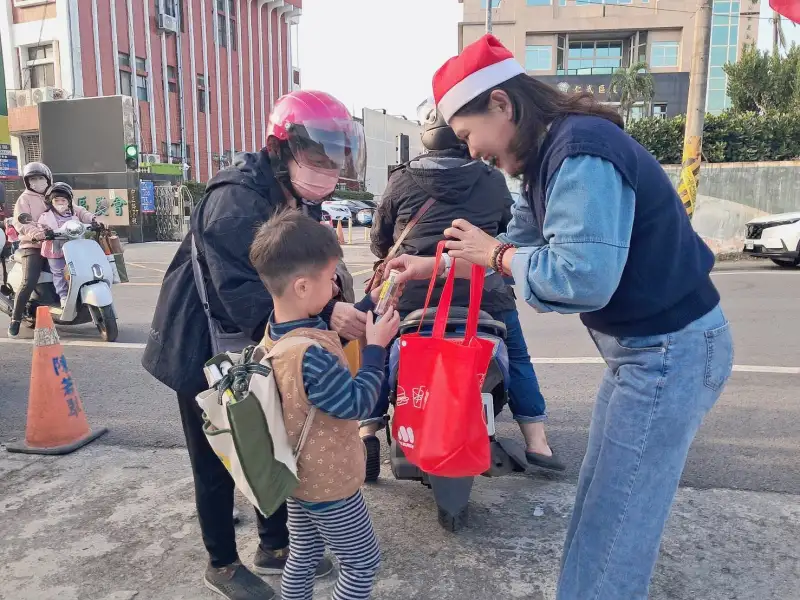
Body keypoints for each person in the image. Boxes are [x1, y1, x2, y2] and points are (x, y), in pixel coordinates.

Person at [386, 35, 734, 600]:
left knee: (614, 529)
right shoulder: (549, 156)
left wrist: (495, 254)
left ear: (501, 104)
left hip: (670, 352)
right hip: (646, 353)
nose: (472, 152)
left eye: (470, 135)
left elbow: (581, 275)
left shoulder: (581, 151)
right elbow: (512, 248)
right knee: (601, 507)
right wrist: (428, 266)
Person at [142, 90, 369, 600]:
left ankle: (275, 545)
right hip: (203, 342)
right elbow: (243, 297)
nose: (328, 170)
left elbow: (309, 267)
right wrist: (328, 312)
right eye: (318, 158)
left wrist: (339, 294)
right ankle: (221, 563)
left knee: (274, 441)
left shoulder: (291, 193)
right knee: (221, 453)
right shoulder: (235, 203)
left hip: (259, 345)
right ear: (280, 147)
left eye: (335, 160)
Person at [362, 97, 563, 475]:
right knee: (517, 354)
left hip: (409, 291)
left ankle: (368, 433)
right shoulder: (491, 179)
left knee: (377, 340)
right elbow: (508, 234)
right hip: (482, 292)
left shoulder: (400, 179)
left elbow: (379, 240)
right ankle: (538, 443)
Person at [250, 211, 398, 600]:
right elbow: (356, 402)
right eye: (330, 276)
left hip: (296, 474)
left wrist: (372, 302)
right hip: (329, 483)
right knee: (362, 562)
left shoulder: (278, 331)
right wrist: (377, 350)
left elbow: (328, 337)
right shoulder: (311, 355)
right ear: (301, 286)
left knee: (304, 552)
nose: (335, 284)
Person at [8, 162, 53, 337]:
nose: (37, 181)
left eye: (40, 178)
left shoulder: (54, 194)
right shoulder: (24, 199)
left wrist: (93, 219)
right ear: (27, 182)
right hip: (32, 246)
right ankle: (16, 318)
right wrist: (36, 233)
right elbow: (19, 221)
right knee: (29, 281)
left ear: (48, 178)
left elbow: (75, 210)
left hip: (56, 245)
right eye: (33, 179)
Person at [37, 183, 98, 307]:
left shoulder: (73, 214)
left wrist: (95, 221)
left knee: (80, 270)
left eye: (63, 200)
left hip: (74, 248)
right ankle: (63, 296)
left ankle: (81, 293)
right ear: (51, 201)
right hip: (55, 248)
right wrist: (42, 233)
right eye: (56, 200)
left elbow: (85, 217)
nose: (60, 202)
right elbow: (39, 228)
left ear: (69, 201)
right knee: (58, 272)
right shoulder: (45, 216)